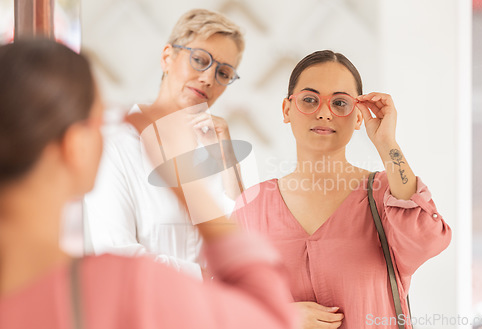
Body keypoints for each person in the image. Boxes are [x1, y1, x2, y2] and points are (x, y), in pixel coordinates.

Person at [0, 38, 297, 329]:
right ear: (75, 147)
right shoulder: (123, 289)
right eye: (100, 121)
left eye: (223, 72)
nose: (208, 78)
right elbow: (271, 318)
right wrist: (190, 189)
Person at [232, 50, 452, 329]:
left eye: (340, 103)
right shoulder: (252, 205)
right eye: (310, 100)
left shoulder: (386, 194)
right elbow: (227, 304)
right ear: (287, 109)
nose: (324, 113)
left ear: (358, 117)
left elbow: (427, 240)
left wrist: (387, 143)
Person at [83, 8, 245, 280]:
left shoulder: (216, 146)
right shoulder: (114, 145)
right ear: (167, 57)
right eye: (199, 60)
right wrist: (209, 280)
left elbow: (246, 241)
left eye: (224, 73)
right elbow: (117, 255)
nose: (208, 79)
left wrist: (226, 160)